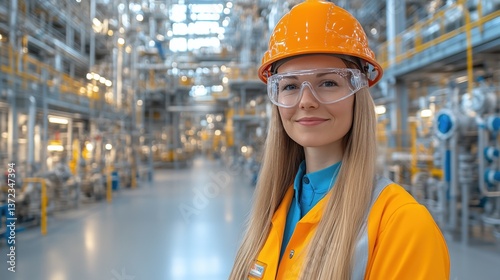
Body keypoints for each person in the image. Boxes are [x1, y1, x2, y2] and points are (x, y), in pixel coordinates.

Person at [229, 1, 450, 279]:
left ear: (358, 93)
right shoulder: (271, 214)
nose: (306, 101)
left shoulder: (402, 225)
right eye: (290, 86)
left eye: (329, 83)